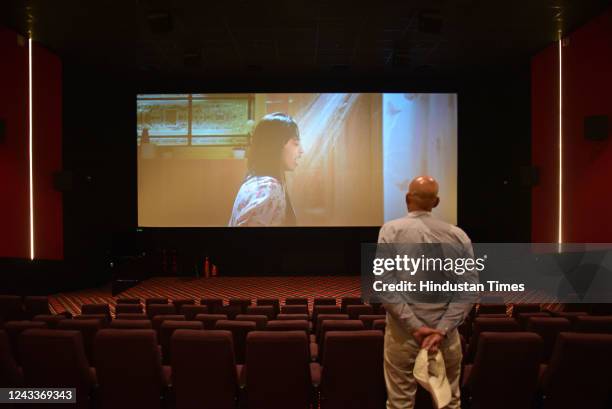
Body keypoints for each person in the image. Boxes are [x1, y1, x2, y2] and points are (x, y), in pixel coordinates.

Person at [378, 175, 474, 409]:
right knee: (449, 402)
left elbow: (385, 285)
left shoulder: (390, 231)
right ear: (437, 202)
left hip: (402, 336)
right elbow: (468, 290)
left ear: (407, 198)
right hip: (446, 337)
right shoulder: (457, 235)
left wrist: (416, 327)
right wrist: (440, 331)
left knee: (400, 403)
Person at [228, 112, 304, 227]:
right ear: (276, 145)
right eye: (296, 143)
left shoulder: (258, 181)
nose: (301, 151)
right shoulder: (267, 188)